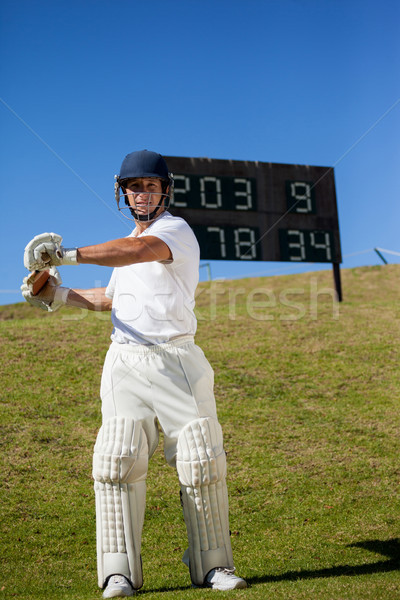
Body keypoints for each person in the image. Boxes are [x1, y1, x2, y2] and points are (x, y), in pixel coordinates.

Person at [21, 150, 247, 597]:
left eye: (149, 186)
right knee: (117, 459)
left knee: (200, 460)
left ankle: (213, 567)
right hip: (124, 362)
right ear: (122, 192)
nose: (141, 194)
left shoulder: (174, 232)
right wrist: (57, 294)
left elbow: (138, 251)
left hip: (177, 360)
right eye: (133, 187)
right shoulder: (125, 244)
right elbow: (111, 298)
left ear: (165, 189)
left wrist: (66, 255)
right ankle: (119, 573)